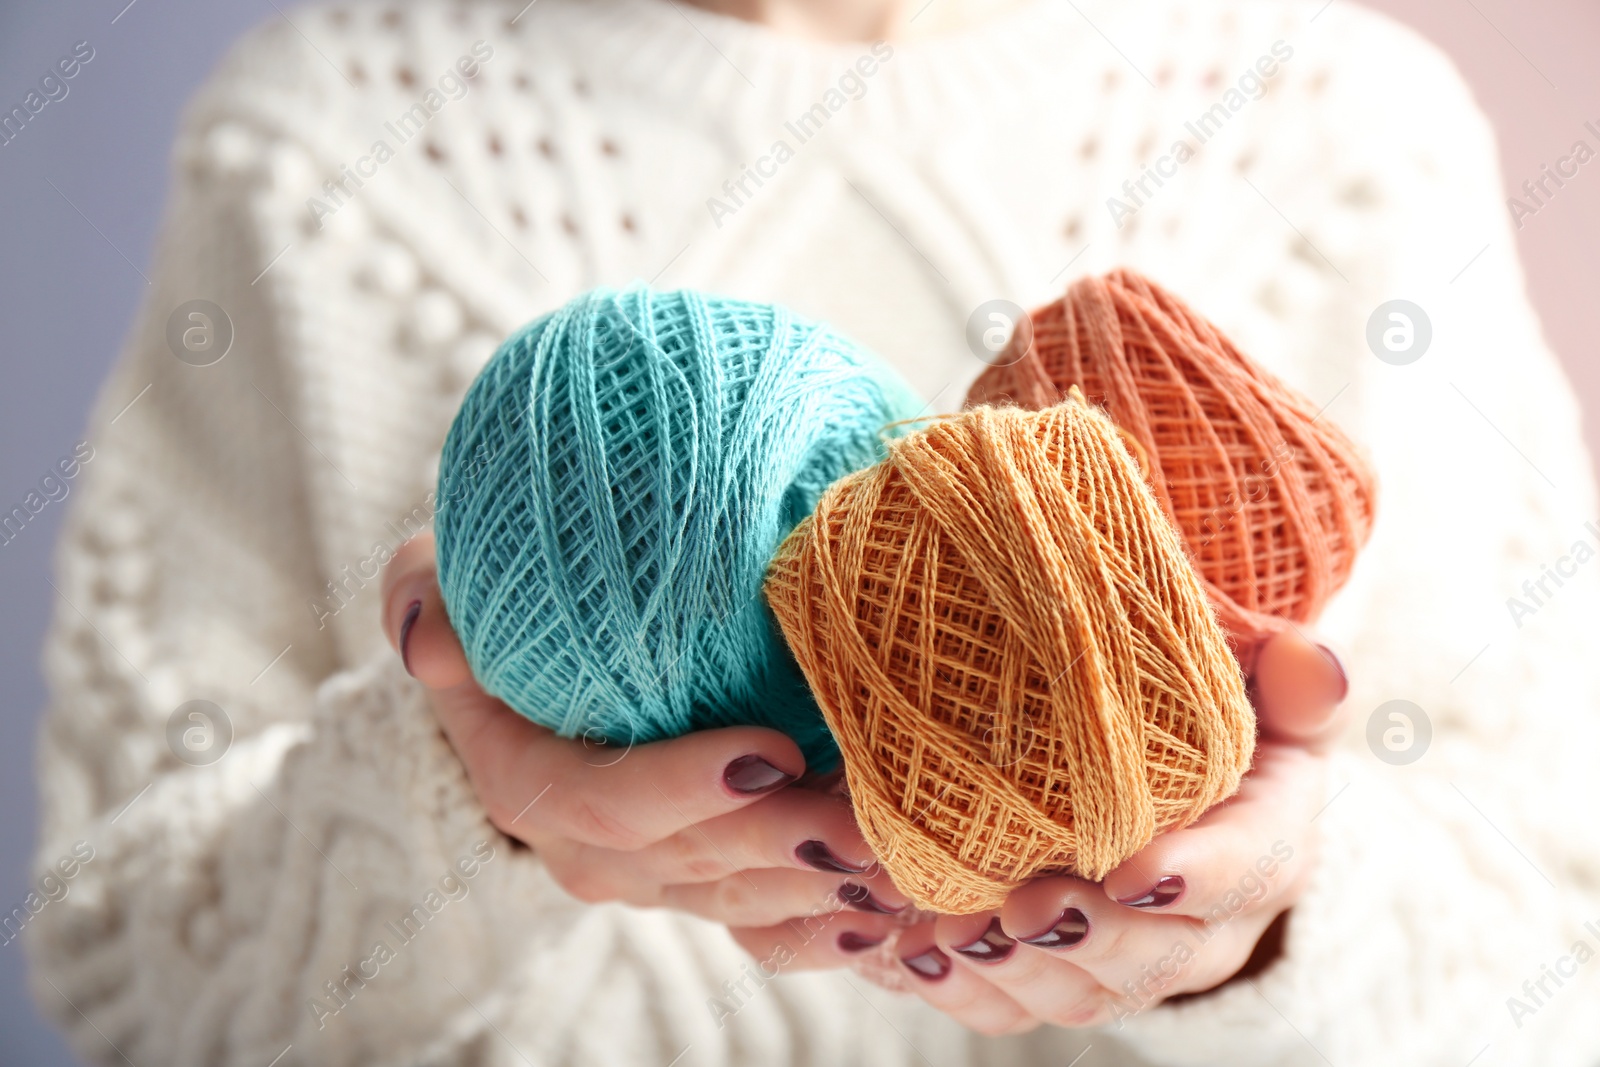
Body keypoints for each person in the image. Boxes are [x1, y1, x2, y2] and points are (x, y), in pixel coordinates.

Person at [27, 0, 1600, 1064]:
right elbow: (122, 973)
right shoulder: (321, 141)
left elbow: (1565, 959)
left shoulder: (1333, 118)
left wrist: (1268, 929)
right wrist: (465, 800)